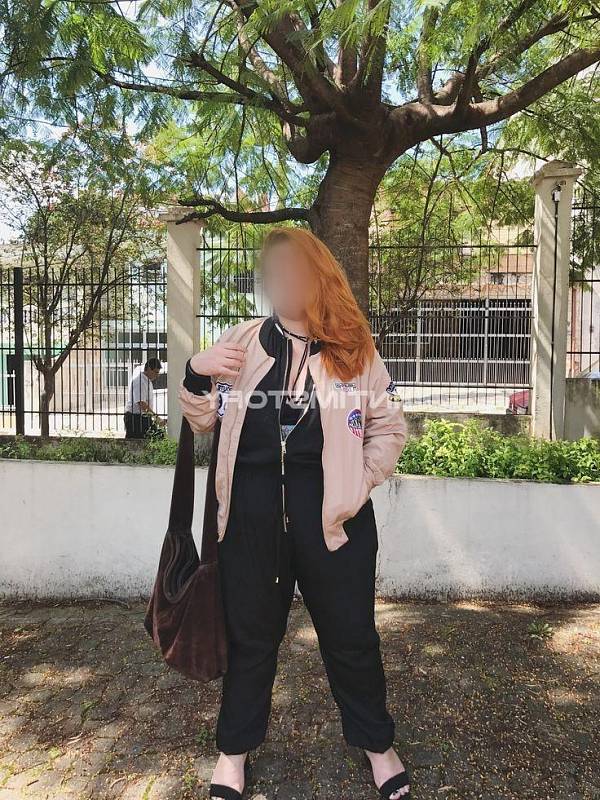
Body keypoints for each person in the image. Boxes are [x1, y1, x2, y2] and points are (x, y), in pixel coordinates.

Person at [179, 229, 410, 800]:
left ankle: (378, 746)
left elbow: (388, 429)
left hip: (336, 526)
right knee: (251, 640)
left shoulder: (354, 348)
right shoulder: (243, 341)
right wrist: (196, 371)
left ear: (319, 276)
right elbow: (203, 421)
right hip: (252, 524)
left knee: (351, 637)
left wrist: (358, 482)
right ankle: (233, 753)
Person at [124, 357, 165, 439]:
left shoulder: (147, 381)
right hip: (135, 418)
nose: (157, 375)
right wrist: (156, 418)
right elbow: (141, 403)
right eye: (156, 372)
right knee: (141, 441)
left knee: (156, 438)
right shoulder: (140, 381)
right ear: (149, 369)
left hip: (143, 417)